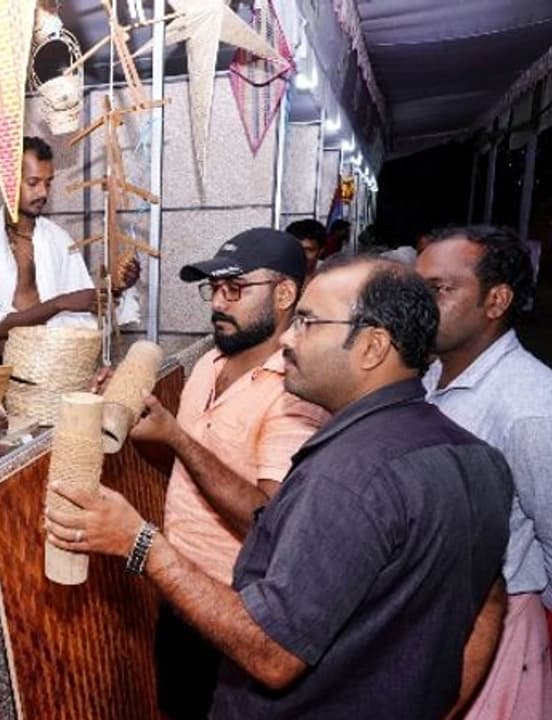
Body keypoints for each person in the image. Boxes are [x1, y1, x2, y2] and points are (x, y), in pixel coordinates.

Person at [48, 257, 513, 718]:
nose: (288, 337)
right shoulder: (480, 460)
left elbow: (272, 655)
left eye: (308, 323)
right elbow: (490, 603)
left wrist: (140, 543)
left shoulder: (345, 477)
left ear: (373, 347)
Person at [126, 227, 329, 718]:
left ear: (285, 294)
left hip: (238, 612)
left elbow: (269, 519)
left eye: (235, 289)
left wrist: (176, 436)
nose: (219, 302)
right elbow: (185, 470)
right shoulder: (209, 365)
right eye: (213, 289)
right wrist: (152, 433)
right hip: (181, 595)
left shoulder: (294, 391)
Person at [417, 226, 552, 719]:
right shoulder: (430, 375)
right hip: (439, 624)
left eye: (440, 290)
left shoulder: (531, 406)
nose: (420, 303)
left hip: (499, 636)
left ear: (496, 301)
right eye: (417, 288)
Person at [0, 136, 140, 386]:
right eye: (33, 183)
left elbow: (87, 310)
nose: (43, 192)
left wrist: (117, 287)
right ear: (7, 182)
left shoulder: (58, 239)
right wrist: (60, 304)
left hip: (64, 372)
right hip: (15, 377)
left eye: (48, 183)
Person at [284, 218, 324, 283]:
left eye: (308, 250)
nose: (301, 255)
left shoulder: (329, 275)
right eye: (296, 249)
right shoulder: (277, 275)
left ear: (320, 252)